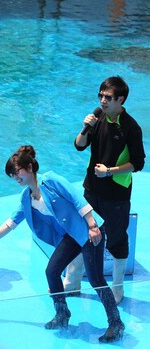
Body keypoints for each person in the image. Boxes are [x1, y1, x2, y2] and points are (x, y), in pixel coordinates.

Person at [0, 145, 125, 343]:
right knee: (51, 271)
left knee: (96, 279)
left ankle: (116, 323)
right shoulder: (26, 198)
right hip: (71, 236)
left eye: (16, 171)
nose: (14, 177)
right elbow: (10, 223)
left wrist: (92, 225)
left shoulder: (50, 179)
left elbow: (76, 197)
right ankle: (62, 314)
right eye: (11, 174)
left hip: (88, 230)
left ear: (29, 167)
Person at [72, 76, 145, 304]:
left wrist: (110, 170)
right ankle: (72, 282)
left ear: (120, 99)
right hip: (91, 188)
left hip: (116, 194)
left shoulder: (131, 127)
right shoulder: (97, 118)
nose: (103, 100)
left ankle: (117, 287)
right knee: (82, 233)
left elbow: (138, 163)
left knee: (116, 239)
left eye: (108, 97)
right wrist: (85, 128)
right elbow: (79, 146)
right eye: (101, 95)